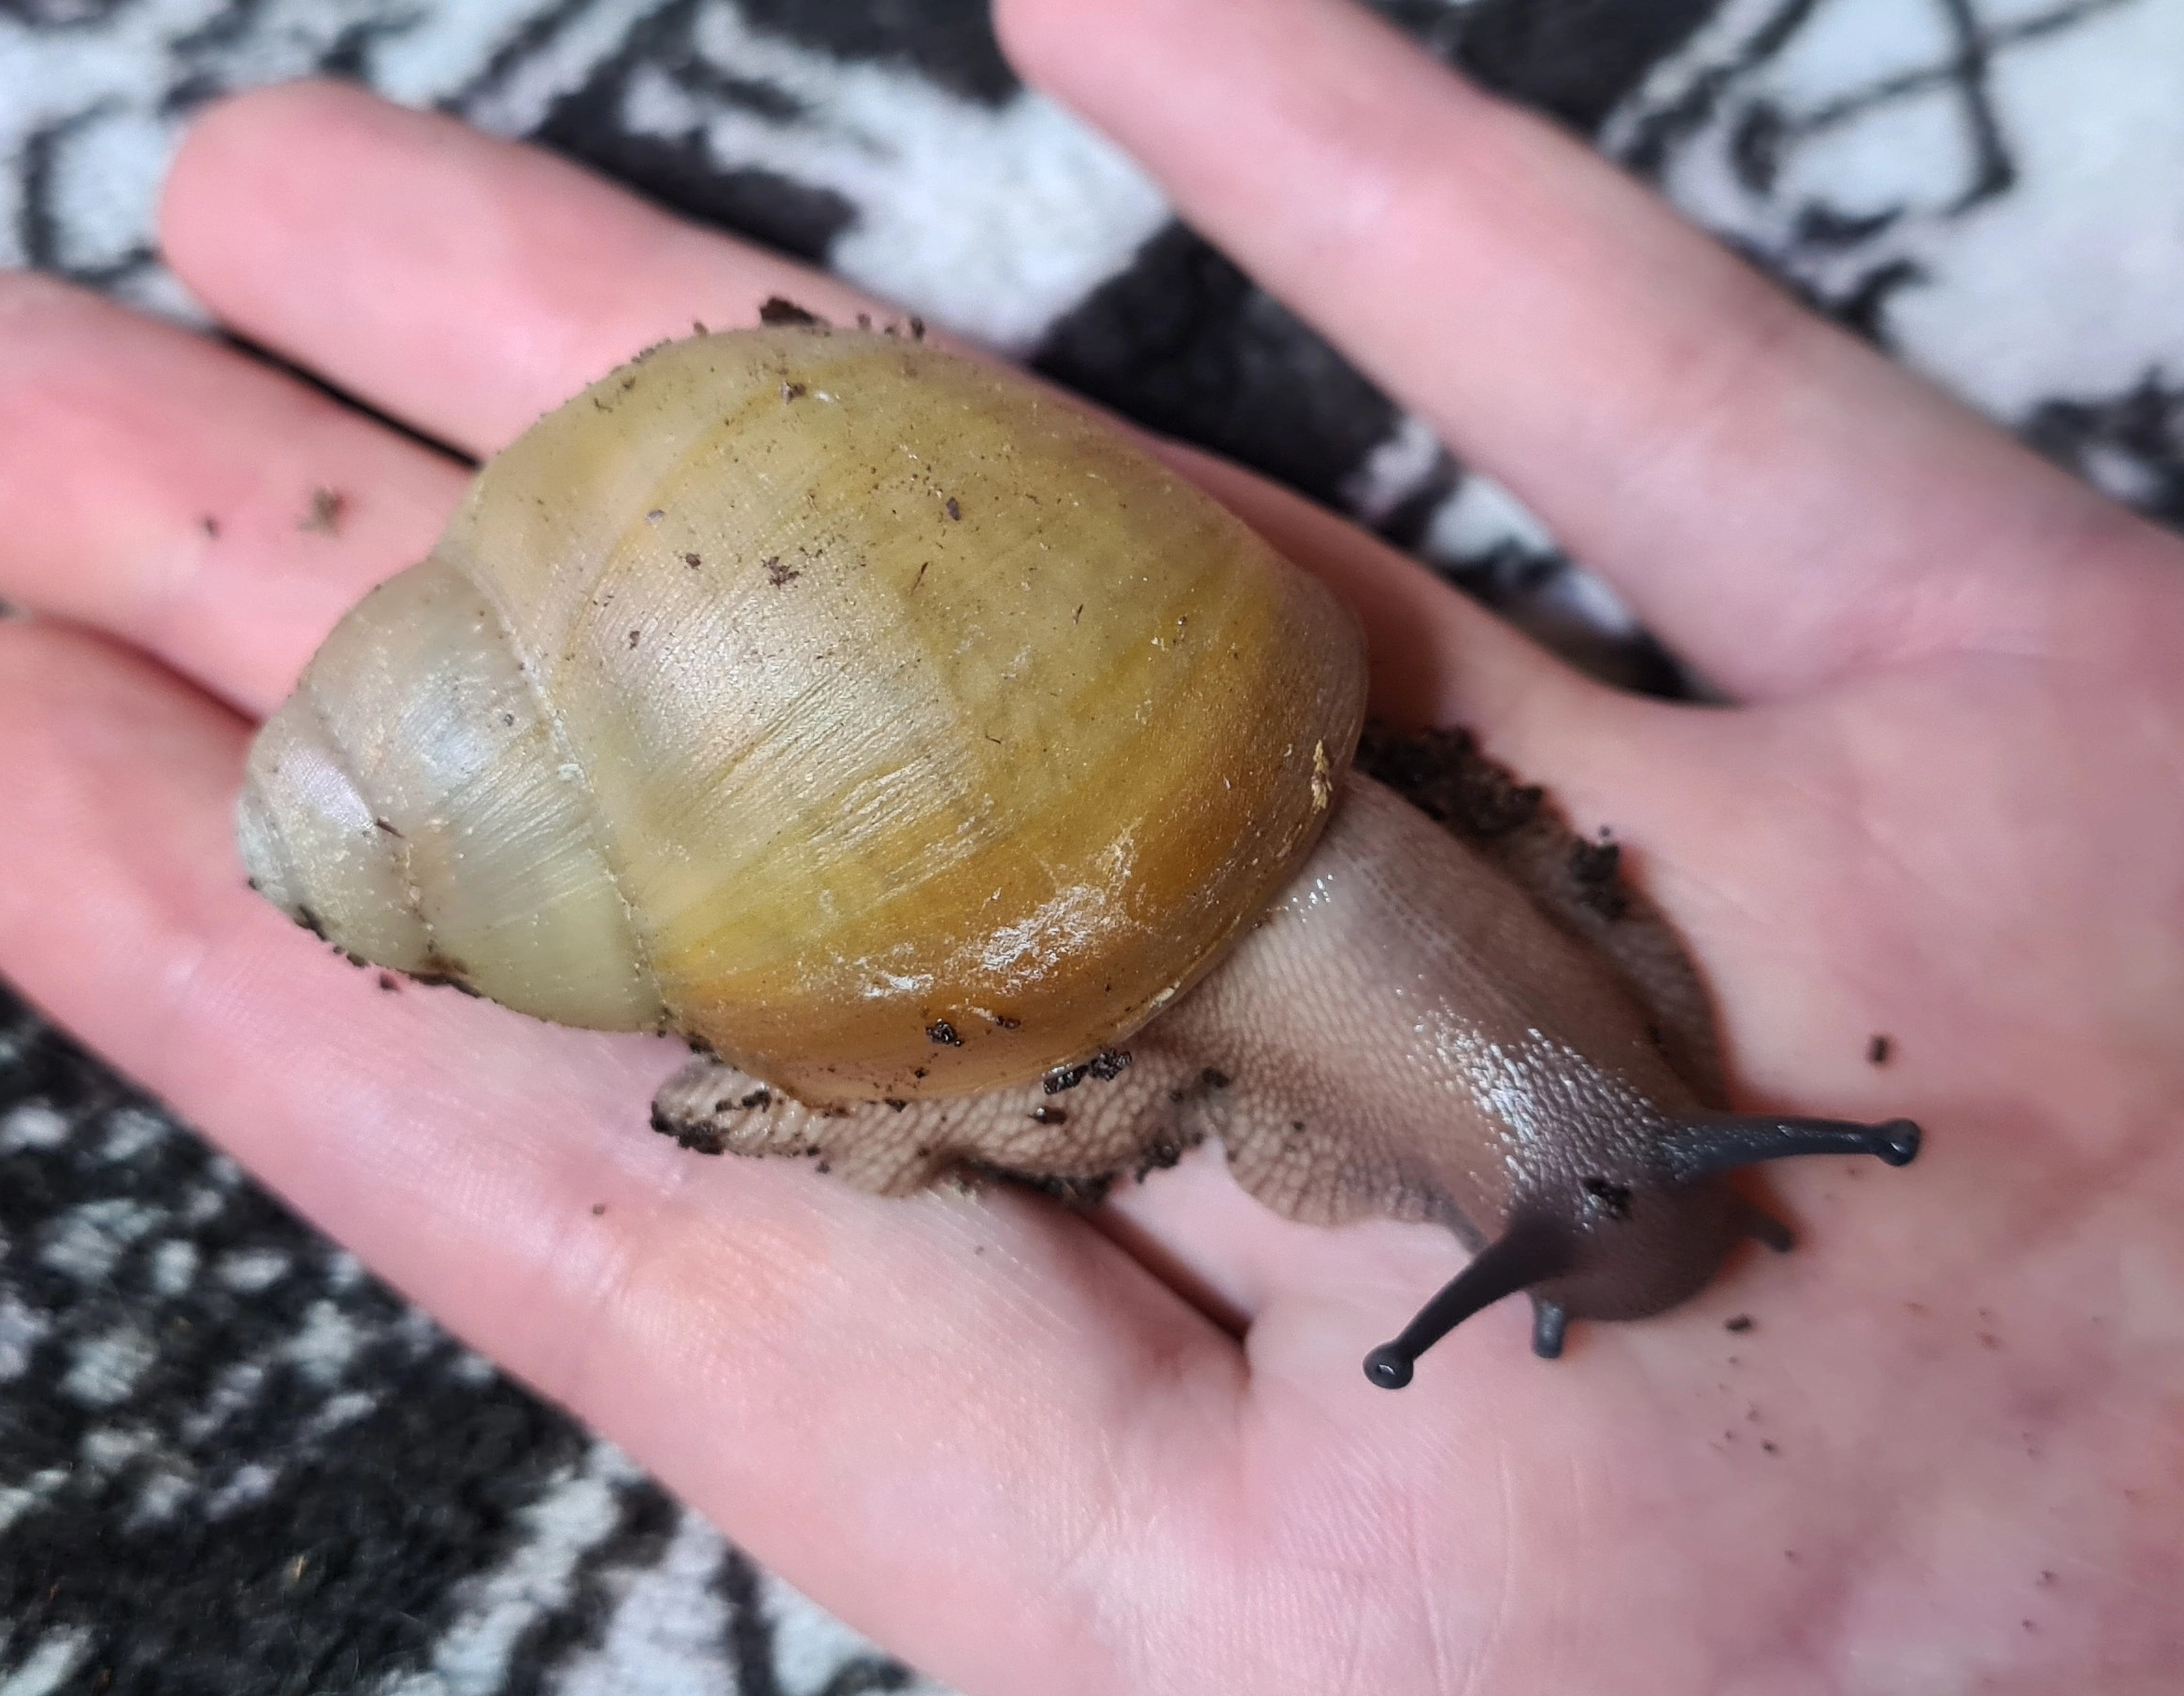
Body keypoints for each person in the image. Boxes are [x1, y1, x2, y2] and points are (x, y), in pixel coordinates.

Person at [2, 0, 2177, 1688]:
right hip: (791, 825)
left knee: (1400, 999)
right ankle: (1575, 1163)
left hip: (925, 810)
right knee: (1369, 985)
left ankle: (1583, 1178)